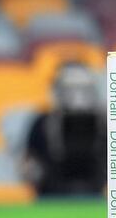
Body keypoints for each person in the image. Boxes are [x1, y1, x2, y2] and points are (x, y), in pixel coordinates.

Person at [22, 63, 106, 196]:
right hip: (50, 198)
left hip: (94, 197)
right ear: (59, 90)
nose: (77, 96)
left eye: (83, 89)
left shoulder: (104, 123)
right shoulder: (42, 123)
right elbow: (29, 159)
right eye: (70, 89)